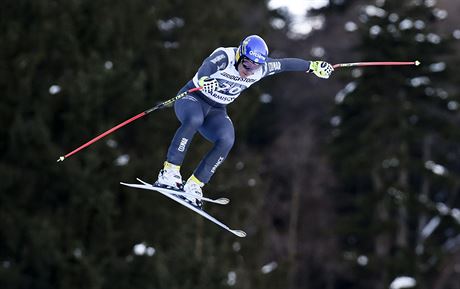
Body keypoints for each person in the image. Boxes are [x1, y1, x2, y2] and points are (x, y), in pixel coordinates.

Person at [155, 35, 334, 208]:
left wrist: (313, 66)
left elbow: (286, 64)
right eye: (247, 64)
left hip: (216, 110)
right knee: (194, 120)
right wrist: (204, 80)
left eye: (255, 67)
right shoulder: (225, 56)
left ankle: (194, 185)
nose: (249, 71)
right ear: (240, 55)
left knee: (226, 139)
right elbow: (206, 67)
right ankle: (169, 172)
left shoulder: (262, 68)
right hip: (192, 99)